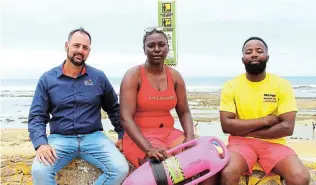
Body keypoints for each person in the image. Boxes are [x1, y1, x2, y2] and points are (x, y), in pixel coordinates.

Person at [202, 37, 310, 185]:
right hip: (240, 144)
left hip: (274, 143)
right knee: (228, 172)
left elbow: (287, 127)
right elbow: (226, 126)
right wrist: (265, 121)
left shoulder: (282, 85)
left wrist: (245, 130)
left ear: (267, 57)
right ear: (243, 59)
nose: (254, 54)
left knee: (300, 177)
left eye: (259, 51)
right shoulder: (231, 86)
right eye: (249, 52)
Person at [28, 28, 129, 185]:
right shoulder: (47, 79)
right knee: (39, 171)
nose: (80, 50)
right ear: (66, 46)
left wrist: (122, 135)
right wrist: (41, 144)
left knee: (120, 168)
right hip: (60, 139)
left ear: (89, 51)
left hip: (94, 138)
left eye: (85, 47)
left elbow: (114, 109)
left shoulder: (98, 77)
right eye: (76, 45)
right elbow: (37, 116)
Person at [119, 27, 195, 168]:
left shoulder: (175, 76)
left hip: (169, 134)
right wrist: (148, 148)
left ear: (167, 48)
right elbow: (125, 118)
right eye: (151, 45)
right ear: (144, 49)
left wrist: (190, 137)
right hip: (140, 137)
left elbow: (184, 112)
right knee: (170, 169)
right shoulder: (133, 75)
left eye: (161, 45)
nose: (157, 49)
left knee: (201, 158)